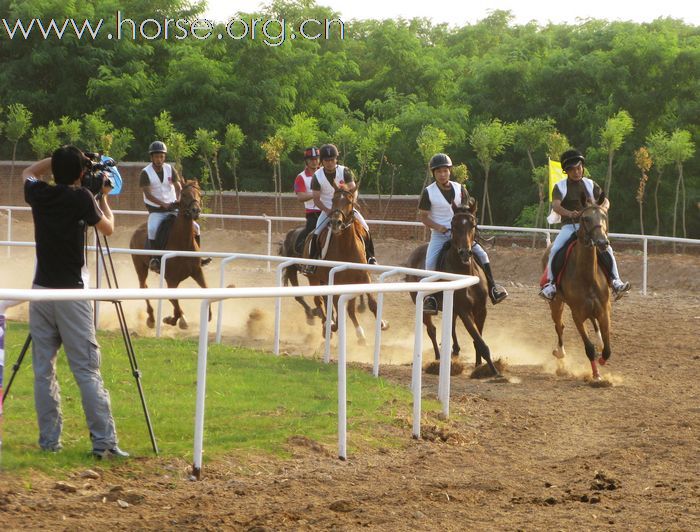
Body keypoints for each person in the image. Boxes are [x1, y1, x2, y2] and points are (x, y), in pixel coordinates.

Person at [23, 146, 128, 459]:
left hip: (40, 290)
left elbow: (29, 172)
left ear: (55, 171)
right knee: (86, 370)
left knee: (43, 370)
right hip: (72, 293)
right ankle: (104, 444)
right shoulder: (83, 198)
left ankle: (49, 442)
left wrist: (59, 164)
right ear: (82, 173)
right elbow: (108, 227)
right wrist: (104, 197)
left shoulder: (39, 193)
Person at [419, 153, 508, 314]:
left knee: (483, 255)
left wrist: (469, 229)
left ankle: (493, 289)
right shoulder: (428, 192)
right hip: (441, 234)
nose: (442, 174)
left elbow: (467, 212)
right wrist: (439, 227)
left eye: (445, 171)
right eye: (438, 172)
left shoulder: (460, 189)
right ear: (434, 174)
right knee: (430, 263)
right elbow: (424, 217)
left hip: (461, 234)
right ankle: (430, 298)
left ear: (449, 171)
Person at [539, 149, 631, 301]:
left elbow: (605, 200)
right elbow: (556, 206)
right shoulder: (560, 187)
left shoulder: (590, 184)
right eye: (572, 169)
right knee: (555, 249)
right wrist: (569, 213)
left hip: (590, 227)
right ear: (566, 171)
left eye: (579, 167)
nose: (577, 171)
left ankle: (616, 281)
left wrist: (602, 209)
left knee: (607, 248)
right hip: (570, 226)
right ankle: (551, 285)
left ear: (582, 166)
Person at [303, 144, 376, 273]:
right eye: (326, 160)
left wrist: (351, 203)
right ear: (322, 161)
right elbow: (316, 199)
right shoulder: (317, 177)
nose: (330, 163)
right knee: (316, 233)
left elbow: (353, 189)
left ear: (336, 159)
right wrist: (327, 210)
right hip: (328, 209)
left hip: (346, 208)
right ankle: (312, 262)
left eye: (332, 160)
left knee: (365, 227)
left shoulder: (345, 171)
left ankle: (371, 257)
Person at [140, 141, 209, 273]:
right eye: (156, 156)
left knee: (196, 227)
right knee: (152, 228)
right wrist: (163, 204)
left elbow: (178, 187)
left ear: (164, 157)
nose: (159, 159)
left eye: (161, 156)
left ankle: (197, 257)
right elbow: (148, 194)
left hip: (173, 207)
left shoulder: (170, 169)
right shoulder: (145, 172)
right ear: (151, 157)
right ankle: (155, 259)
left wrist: (177, 200)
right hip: (156, 210)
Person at [292, 146, 322, 254]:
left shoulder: (325, 174)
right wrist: (315, 194)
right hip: (313, 214)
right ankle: (308, 259)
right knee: (311, 235)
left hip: (329, 211)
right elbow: (300, 197)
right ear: (306, 161)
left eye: (316, 159)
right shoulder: (301, 177)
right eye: (311, 160)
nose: (314, 162)